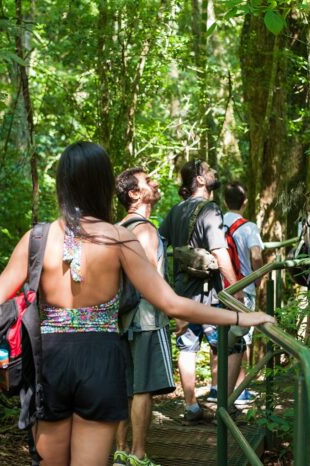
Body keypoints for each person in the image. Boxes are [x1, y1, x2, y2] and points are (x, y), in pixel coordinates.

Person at [0, 142, 275, 466]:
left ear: (63, 184)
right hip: (101, 360)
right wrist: (240, 317)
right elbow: (172, 304)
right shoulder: (119, 238)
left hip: (49, 361)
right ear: (104, 184)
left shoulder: (37, 238)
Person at [159, 159, 247, 424]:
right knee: (233, 345)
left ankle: (191, 406)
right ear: (198, 179)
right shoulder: (210, 209)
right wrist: (236, 288)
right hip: (209, 295)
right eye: (208, 170)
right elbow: (220, 252)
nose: (214, 173)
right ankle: (225, 407)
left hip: (182, 295)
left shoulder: (175, 211)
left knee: (188, 347)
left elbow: (159, 246)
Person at [113, 167, 174, 466]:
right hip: (147, 319)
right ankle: (138, 455)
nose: (156, 182)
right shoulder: (145, 230)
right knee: (143, 389)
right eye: (148, 181)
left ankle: (120, 450)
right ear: (135, 194)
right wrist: (178, 312)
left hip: (120, 320)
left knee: (125, 388)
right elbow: (151, 279)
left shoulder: (117, 228)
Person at [223, 181, 264, 405]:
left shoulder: (216, 223)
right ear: (245, 202)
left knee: (222, 341)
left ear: (223, 201)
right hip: (243, 289)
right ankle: (239, 392)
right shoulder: (248, 227)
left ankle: (218, 391)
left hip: (220, 291)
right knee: (242, 339)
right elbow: (256, 256)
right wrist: (258, 279)